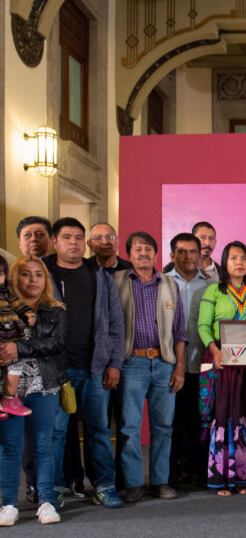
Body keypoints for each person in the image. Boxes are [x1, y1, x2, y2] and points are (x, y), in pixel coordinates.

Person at [43, 218, 125, 509]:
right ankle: (50, 489)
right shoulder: (43, 273)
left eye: (79, 238)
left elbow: (116, 323)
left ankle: (103, 485)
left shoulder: (99, 275)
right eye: (67, 237)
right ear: (55, 241)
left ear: (86, 244)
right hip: (56, 370)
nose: (74, 243)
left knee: (99, 430)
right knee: (54, 432)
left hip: (95, 368)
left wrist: (114, 363)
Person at [114, 232, 187, 503]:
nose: (143, 253)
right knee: (129, 427)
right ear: (129, 255)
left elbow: (180, 330)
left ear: (156, 255)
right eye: (137, 249)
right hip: (131, 362)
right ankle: (133, 483)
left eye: (148, 249)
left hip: (164, 364)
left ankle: (160, 481)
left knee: (163, 427)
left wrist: (179, 368)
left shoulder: (169, 284)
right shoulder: (117, 281)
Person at [0, 256, 68, 525]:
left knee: (43, 444)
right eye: (25, 274)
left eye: (38, 274)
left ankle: (47, 502)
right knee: (10, 447)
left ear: (46, 279)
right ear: (14, 277)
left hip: (44, 383)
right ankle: (8, 504)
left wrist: (19, 348)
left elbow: (58, 343)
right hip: (8, 388)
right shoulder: (4, 306)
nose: (32, 280)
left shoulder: (56, 310)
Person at [198, 241, 246, 496]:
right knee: (224, 415)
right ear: (224, 263)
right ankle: (220, 478)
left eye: (243, 259)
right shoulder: (214, 291)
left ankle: (245, 477)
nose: (240, 262)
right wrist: (214, 349)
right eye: (234, 258)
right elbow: (204, 326)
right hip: (221, 360)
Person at [165, 233, 216, 487]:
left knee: (199, 421)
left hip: (200, 363)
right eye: (182, 252)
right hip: (168, 364)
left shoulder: (210, 285)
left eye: (193, 252)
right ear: (172, 255)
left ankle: (198, 471)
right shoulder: (161, 283)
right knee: (172, 423)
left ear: (201, 255)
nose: (188, 256)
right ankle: (171, 475)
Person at [0, 254, 36, 420]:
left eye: (0, 273)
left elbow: (19, 306)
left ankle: (9, 399)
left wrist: (29, 315)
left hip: (12, 338)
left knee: (16, 364)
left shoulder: (7, 294)